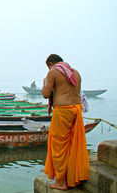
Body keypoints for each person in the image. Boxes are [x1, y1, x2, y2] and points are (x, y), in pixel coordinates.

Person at [41, 54, 89, 190]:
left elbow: (45, 94)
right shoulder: (75, 72)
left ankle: (61, 182)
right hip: (76, 110)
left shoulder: (53, 71)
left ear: (50, 63)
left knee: (58, 146)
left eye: (47, 66)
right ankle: (73, 176)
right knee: (73, 144)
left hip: (63, 111)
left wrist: (45, 81)